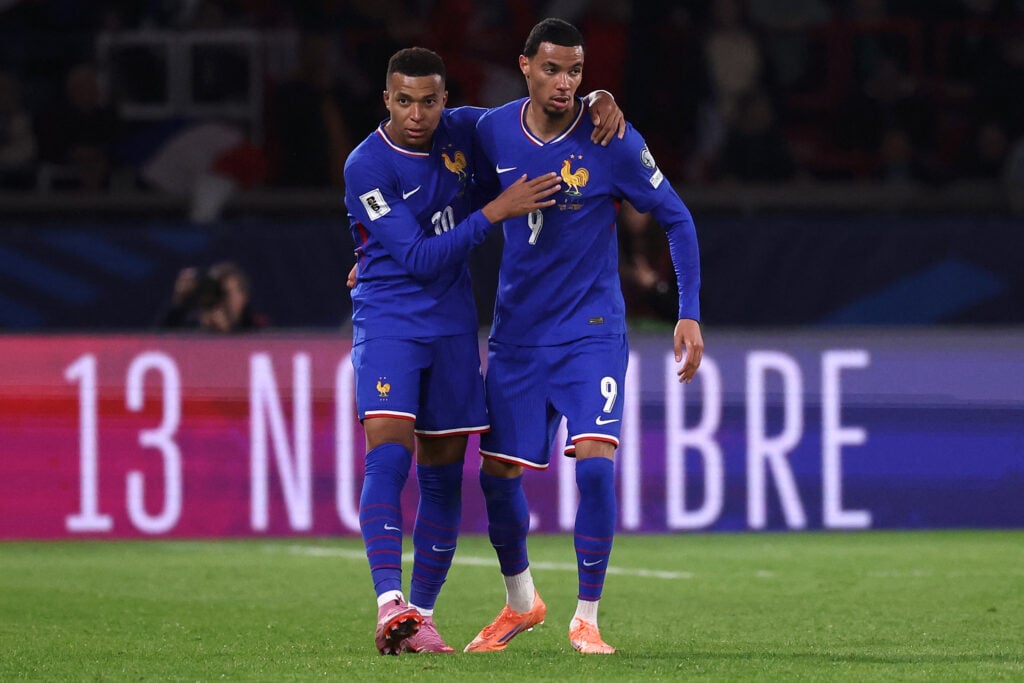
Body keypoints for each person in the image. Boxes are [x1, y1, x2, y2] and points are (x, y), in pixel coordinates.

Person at [342, 46, 624, 656]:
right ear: (385, 100)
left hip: (451, 327)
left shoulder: (463, 130)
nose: (417, 114)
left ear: (445, 100)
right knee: (389, 459)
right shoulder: (365, 165)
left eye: (429, 101)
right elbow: (415, 258)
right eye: (403, 101)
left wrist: (598, 99)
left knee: (445, 479)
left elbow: (543, 110)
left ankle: (419, 618)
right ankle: (388, 600)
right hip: (389, 321)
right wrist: (495, 211)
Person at [465, 18, 704, 655]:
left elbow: (677, 218)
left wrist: (689, 310)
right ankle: (521, 603)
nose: (565, 82)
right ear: (524, 67)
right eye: (552, 69)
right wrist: (372, 249)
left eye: (576, 71)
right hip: (517, 336)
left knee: (596, 469)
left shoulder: (611, 137)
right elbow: (426, 156)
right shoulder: (491, 129)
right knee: (496, 477)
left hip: (590, 332)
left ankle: (587, 618)